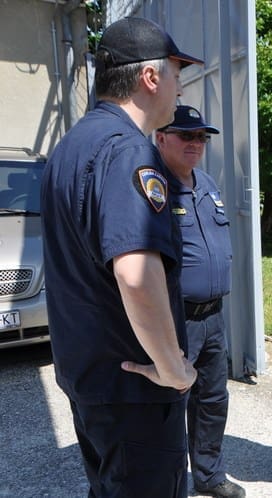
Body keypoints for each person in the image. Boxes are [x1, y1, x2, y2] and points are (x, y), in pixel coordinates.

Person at [40, 17, 202, 497]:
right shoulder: (129, 151)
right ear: (150, 77)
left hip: (93, 382)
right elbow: (135, 274)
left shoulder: (70, 147)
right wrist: (172, 367)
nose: (179, 88)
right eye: (176, 75)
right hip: (136, 390)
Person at [155, 106, 244, 498]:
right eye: (185, 135)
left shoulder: (206, 183)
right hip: (177, 319)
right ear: (161, 138)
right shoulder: (153, 186)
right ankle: (167, 483)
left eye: (201, 137)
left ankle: (209, 476)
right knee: (171, 401)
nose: (195, 143)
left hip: (213, 318)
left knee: (212, 400)